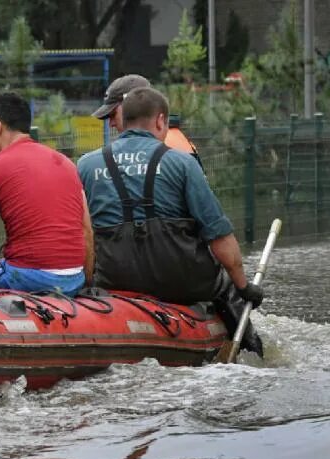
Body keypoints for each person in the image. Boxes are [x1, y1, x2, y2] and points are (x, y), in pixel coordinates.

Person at [78, 87, 264, 354]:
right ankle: (251, 348)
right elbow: (219, 237)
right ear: (160, 120)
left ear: (122, 119)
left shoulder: (86, 165)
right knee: (226, 284)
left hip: (115, 278)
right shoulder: (183, 163)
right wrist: (243, 286)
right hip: (181, 279)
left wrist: (86, 283)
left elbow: (81, 231)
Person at [0, 93, 93, 295]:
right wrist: (86, 283)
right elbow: (86, 232)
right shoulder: (66, 163)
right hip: (74, 278)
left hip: (28, 278)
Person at [92, 74, 200, 161]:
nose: (111, 123)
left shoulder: (165, 145)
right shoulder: (161, 139)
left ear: (132, 105)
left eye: (113, 114)